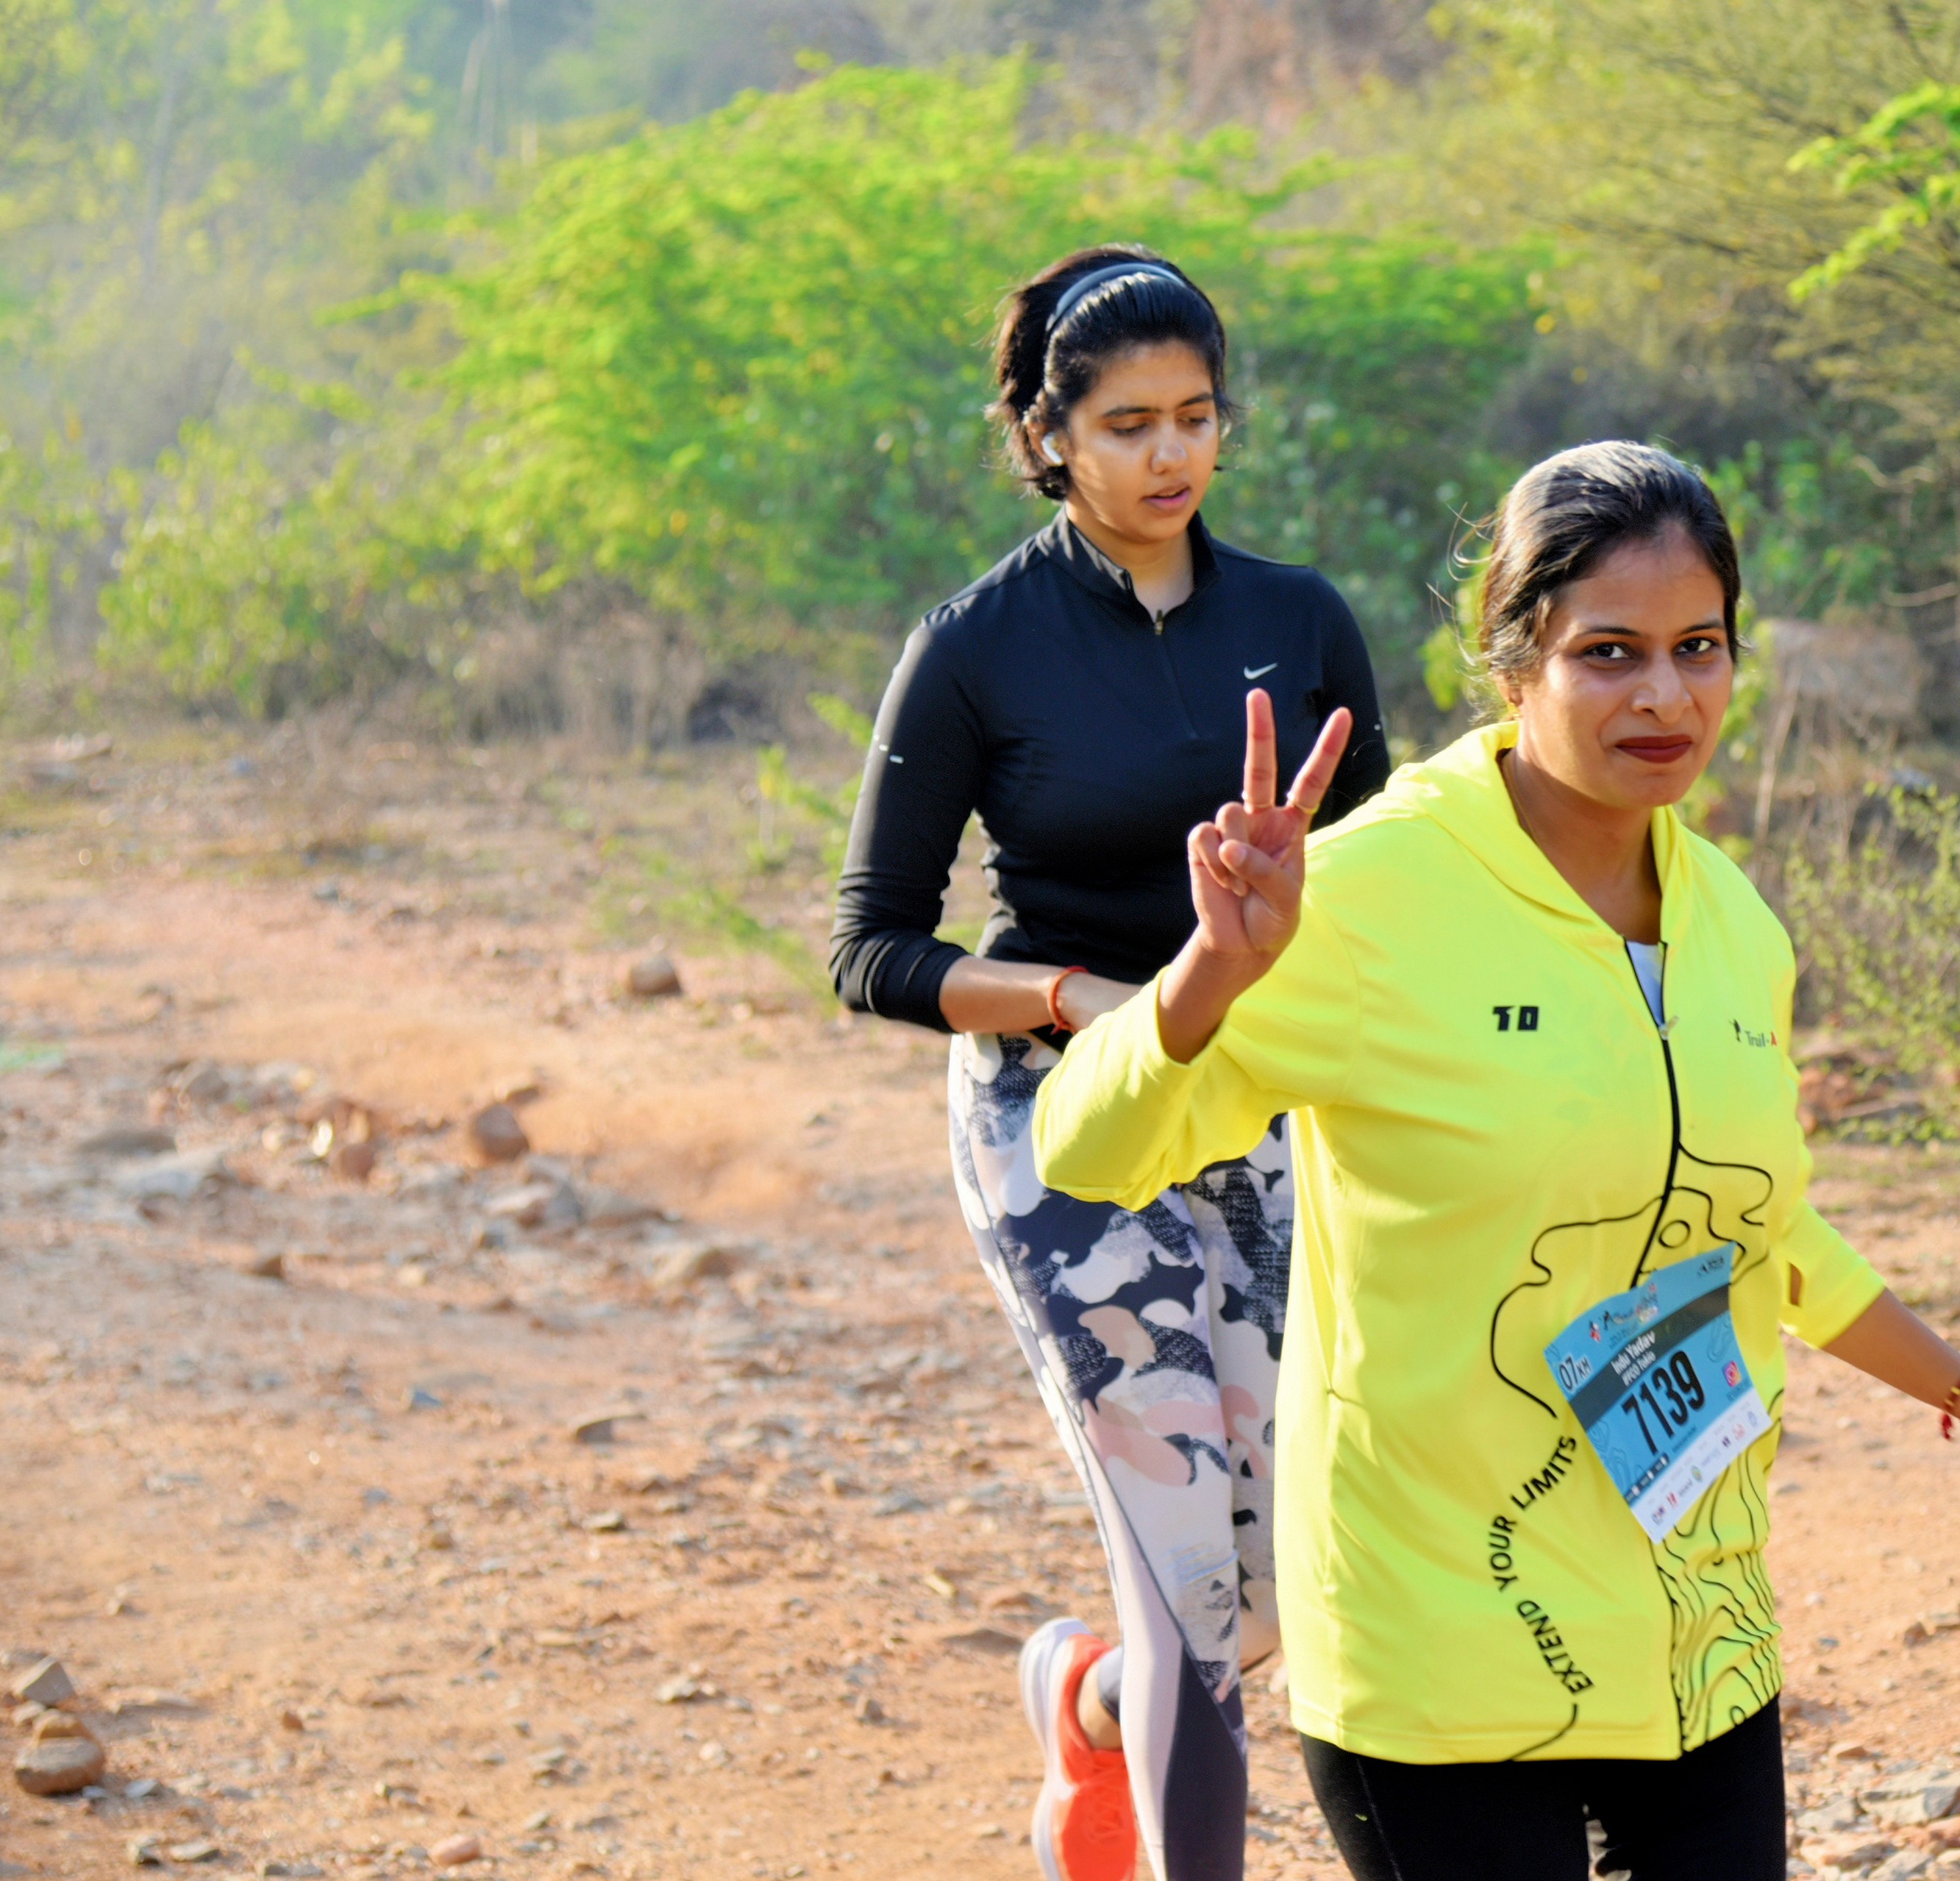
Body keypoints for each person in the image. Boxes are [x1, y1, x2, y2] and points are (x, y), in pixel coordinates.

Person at [1031, 441, 1960, 1881]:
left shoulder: (1736, 926)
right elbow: (1085, 1147)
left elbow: (1762, 1232)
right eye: (1609, 653)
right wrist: (1210, 970)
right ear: (1516, 664)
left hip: (1693, 1630)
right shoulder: (1367, 892)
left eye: (1699, 647)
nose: (1665, 696)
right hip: (1440, 1637)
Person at [828, 244, 1391, 1881]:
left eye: (1196, 417)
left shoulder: (1298, 620)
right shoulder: (975, 646)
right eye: (1129, 424)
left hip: (1262, 1101)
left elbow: (1383, 886)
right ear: (1048, 436)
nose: (1170, 455)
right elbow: (872, 948)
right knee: (1191, 1581)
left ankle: (1082, 1698)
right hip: (1060, 1117)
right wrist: (1088, 1002)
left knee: (1294, 1563)